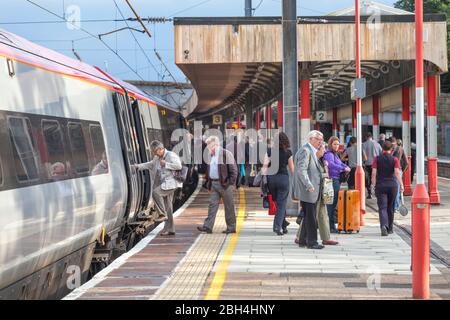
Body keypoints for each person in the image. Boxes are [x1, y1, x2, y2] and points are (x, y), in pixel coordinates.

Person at [133, 140, 182, 236]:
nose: (154, 154)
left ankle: (162, 214)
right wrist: (137, 167)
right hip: (164, 184)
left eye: (155, 151)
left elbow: (179, 166)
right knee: (168, 206)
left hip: (171, 183)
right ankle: (170, 229)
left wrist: (166, 164)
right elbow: (150, 164)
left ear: (160, 149)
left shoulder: (170, 155)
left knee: (156, 193)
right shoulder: (157, 158)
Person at [295, 142, 340, 246]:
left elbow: (325, 174)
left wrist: (325, 167)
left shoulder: (320, 160)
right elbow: (307, 173)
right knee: (311, 215)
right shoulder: (310, 156)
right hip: (313, 191)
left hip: (320, 190)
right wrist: (309, 185)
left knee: (321, 214)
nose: (324, 151)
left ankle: (323, 237)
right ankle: (304, 238)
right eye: (323, 149)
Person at [197, 136, 238, 234]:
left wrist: (230, 183)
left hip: (225, 184)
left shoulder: (226, 154)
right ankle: (208, 226)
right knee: (212, 205)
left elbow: (234, 170)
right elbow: (210, 170)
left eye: (208, 145)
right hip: (214, 184)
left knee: (229, 206)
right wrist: (209, 184)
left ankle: (231, 227)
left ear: (215, 144)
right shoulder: (211, 155)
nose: (207, 147)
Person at [293, 130, 325, 250]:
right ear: (310, 139)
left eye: (321, 140)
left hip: (311, 189)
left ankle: (302, 240)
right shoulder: (306, 151)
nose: (320, 142)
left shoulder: (312, 151)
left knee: (307, 215)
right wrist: (308, 184)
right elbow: (302, 170)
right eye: (318, 139)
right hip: (308, 190)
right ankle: (312, 242)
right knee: (311, 217)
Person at [263, 132, 294, 235]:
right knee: (281, 204)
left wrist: (264, 179)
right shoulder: (288, 152)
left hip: (272, 179)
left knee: (278, 203)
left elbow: (265, 166)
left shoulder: (269, 151)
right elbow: (292, 169)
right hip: (283, 179)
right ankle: (277, 227)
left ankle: (284, 225)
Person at [371, 141, 404, 236]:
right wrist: (401, 184)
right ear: (391, 149)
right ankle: (390, 228)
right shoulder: (395, 159)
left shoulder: (377, 159)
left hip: (380, 185)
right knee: (390, 207)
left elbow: (373, 173)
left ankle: (383, 226)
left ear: (382, 148)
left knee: (382, 207)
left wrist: (373, 184)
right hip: (392, 186)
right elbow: (397, 173)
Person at [323, 137, 351, 233]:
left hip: (336, 180)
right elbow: (330, 165)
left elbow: (340, 163)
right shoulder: (329, 154)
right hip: (332, 180)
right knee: (331, 204)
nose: (336, 146)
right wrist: (343, 169)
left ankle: (330, 225)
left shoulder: (336, 155)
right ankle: (330, 226)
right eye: (334, 144)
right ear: (330, 144)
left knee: (333, 203)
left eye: (338, 144)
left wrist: (346, 166)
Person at [390, 136, 408, 213]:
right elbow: (407, 162)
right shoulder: (401, 149)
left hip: (389, 171)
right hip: (398, 170)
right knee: (397, 189)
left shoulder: (388, 149)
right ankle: (395, 207)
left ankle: (391, 206)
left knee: (390, 189)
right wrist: (402, 170)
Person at [362, 133, 382, 199]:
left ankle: (369, 193)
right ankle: (376, 192)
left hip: (367, 164)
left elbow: (362, 155)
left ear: (366, 137)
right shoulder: (377, 144)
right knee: (376, 178)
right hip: (376, 164)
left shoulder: (363, 145)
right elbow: (381, 153)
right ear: (372, 137)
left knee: (367, 179)